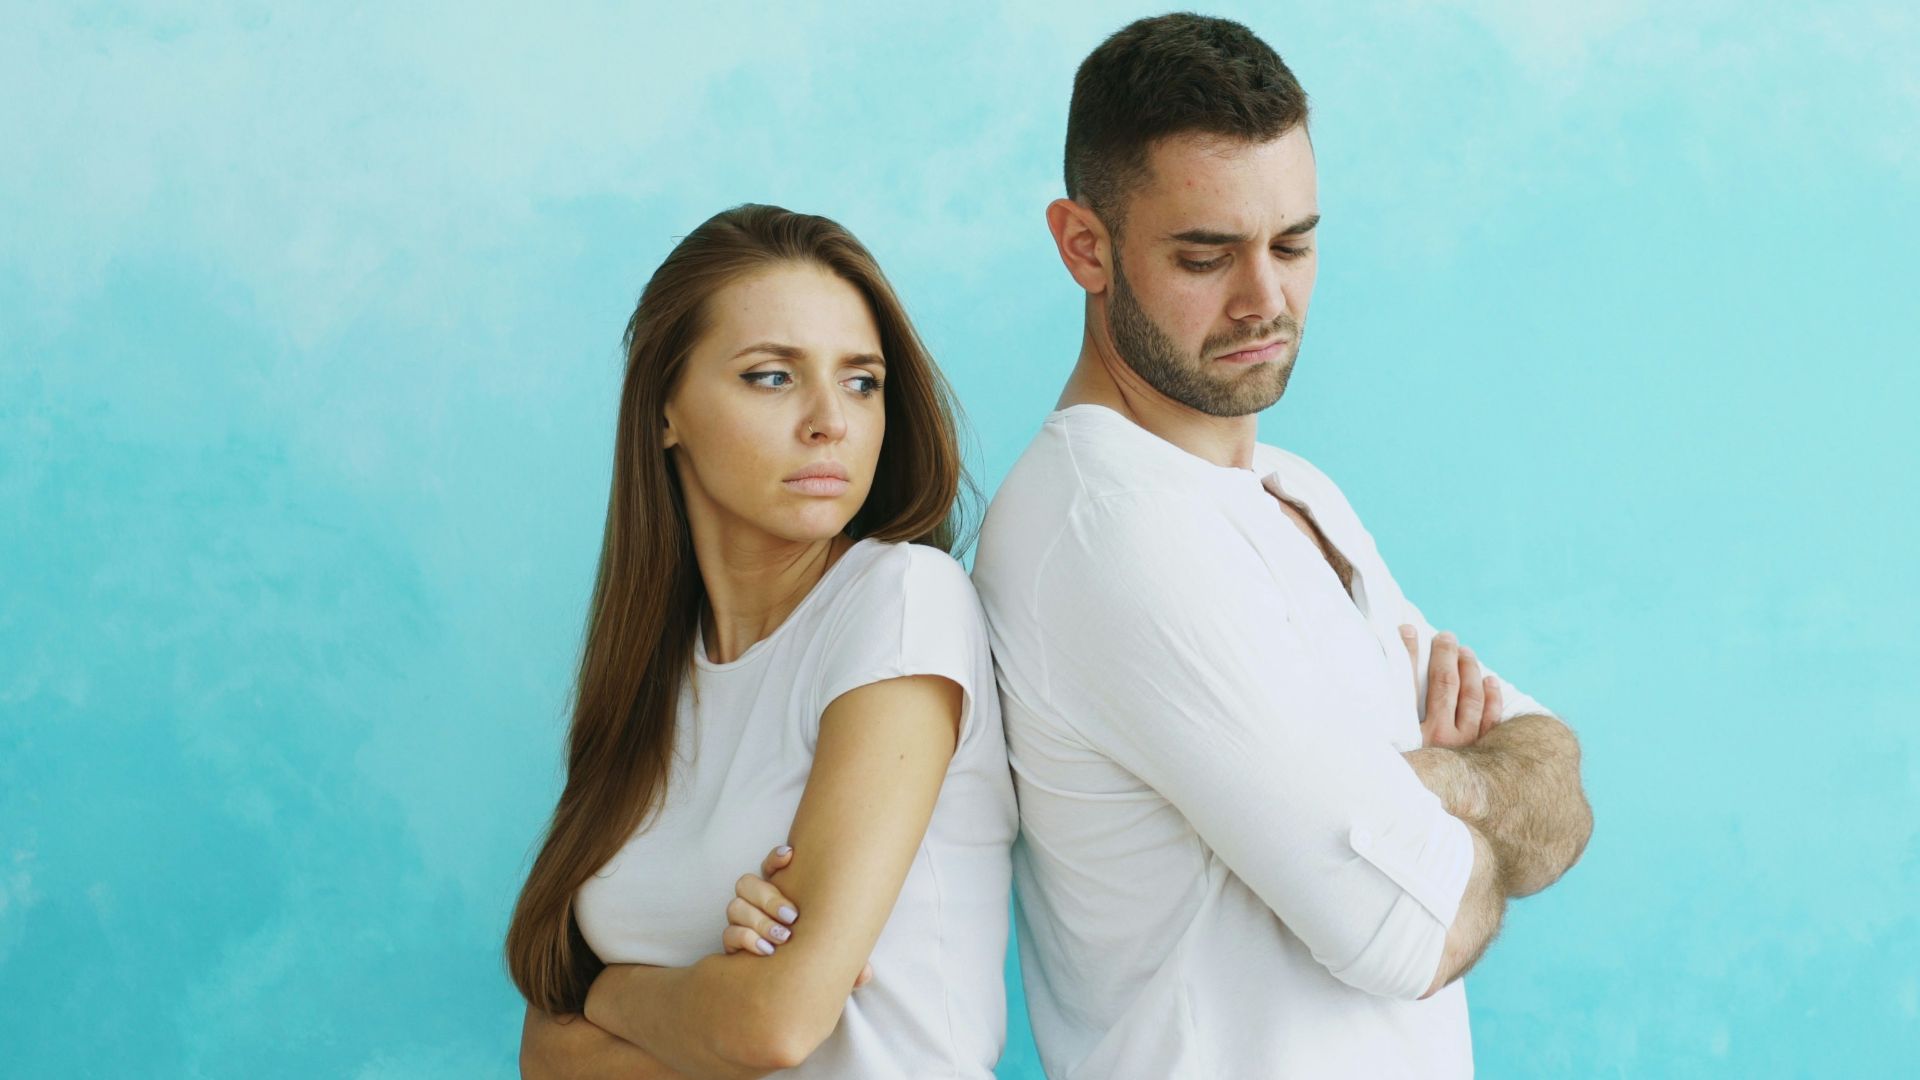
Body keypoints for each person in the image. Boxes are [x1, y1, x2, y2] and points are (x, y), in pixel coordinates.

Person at [969, 15, 1594, 1079]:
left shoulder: (1295, 487)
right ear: (1084, 246)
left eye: (1294, 244)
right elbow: (1417, 931)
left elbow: (1561, 785)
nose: (1267, 301)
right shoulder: (1109, 533)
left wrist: (1449, 786)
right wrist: (1460, 786)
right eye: (1205, 256)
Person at [505, 203, 1017, 1078]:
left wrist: (611, 996)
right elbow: (542, 1055)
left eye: (862, 381)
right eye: (772, 377)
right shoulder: (652, 675)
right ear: (666, 408)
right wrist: (707, 1001)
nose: (831, 421)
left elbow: (771, 1028)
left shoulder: (900, 604)